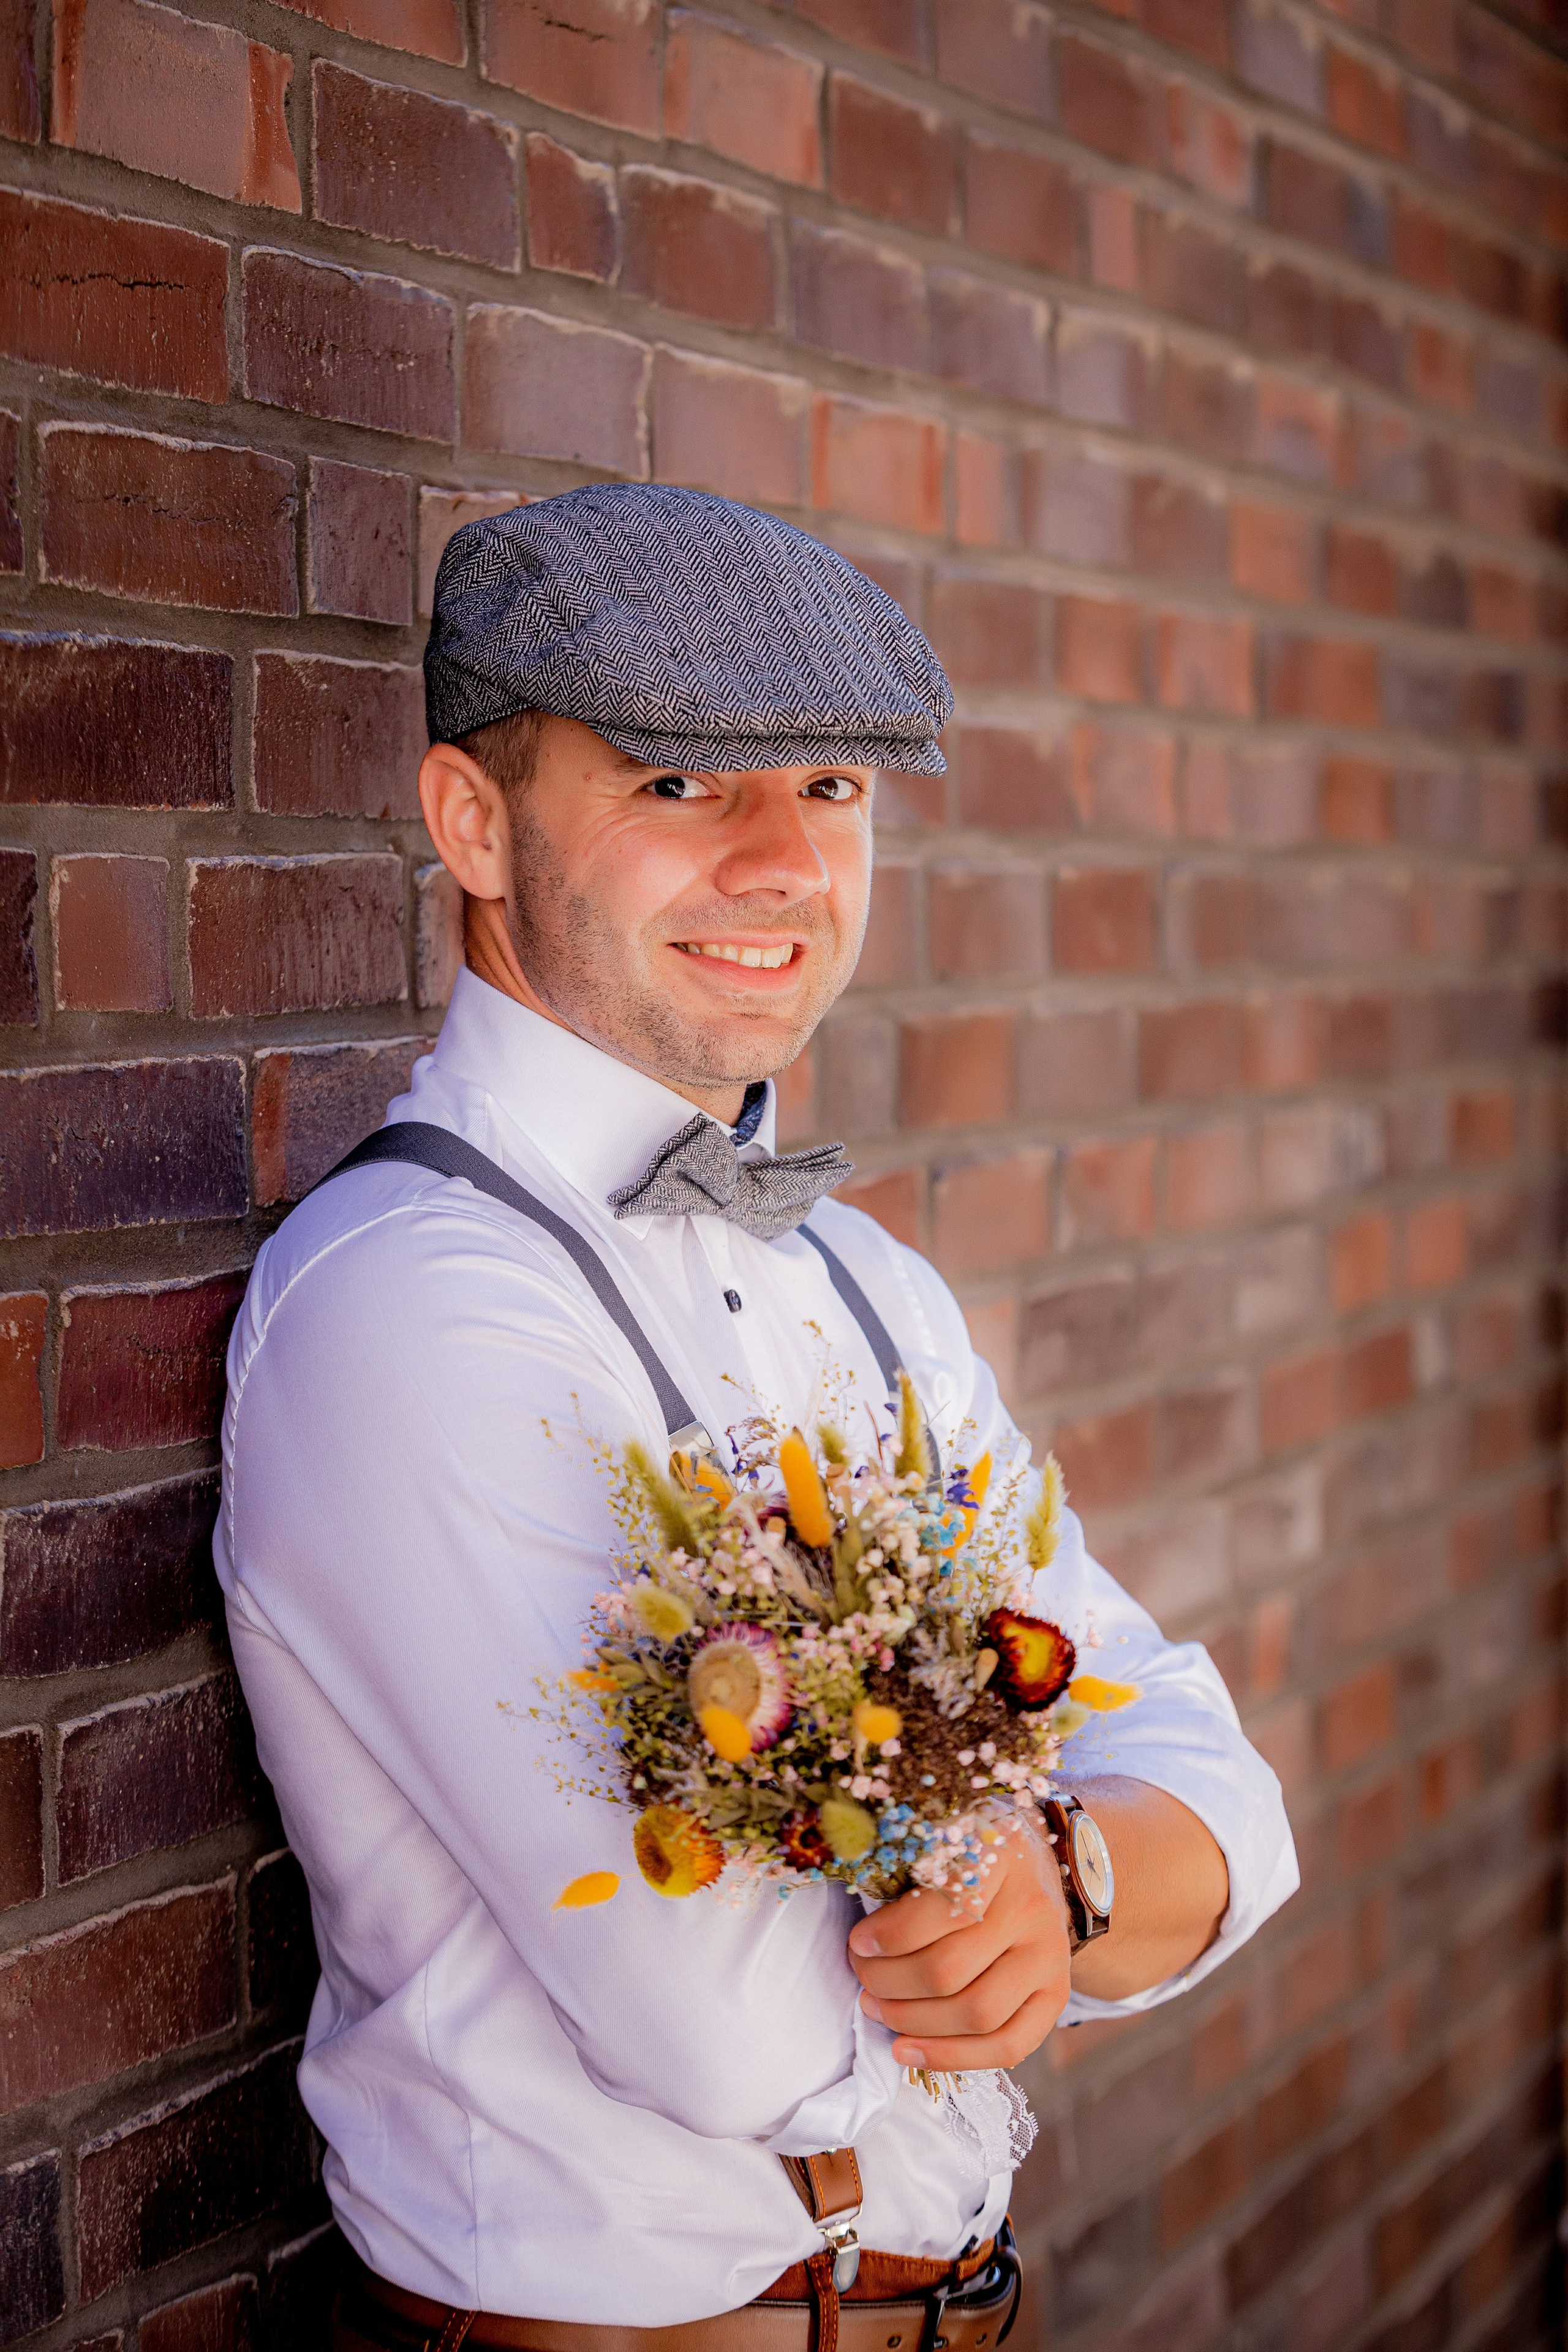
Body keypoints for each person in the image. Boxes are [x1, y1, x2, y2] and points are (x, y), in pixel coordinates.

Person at [216, 484, 1297, 2349]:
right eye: (680, 782)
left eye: (836, 786)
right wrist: (1058, 1884)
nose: (789, 861)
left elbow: (1227, 1802)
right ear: (474, 822)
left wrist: (1062, 1877)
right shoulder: (407, 1306)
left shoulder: (872, 1287)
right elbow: (734, 2030)